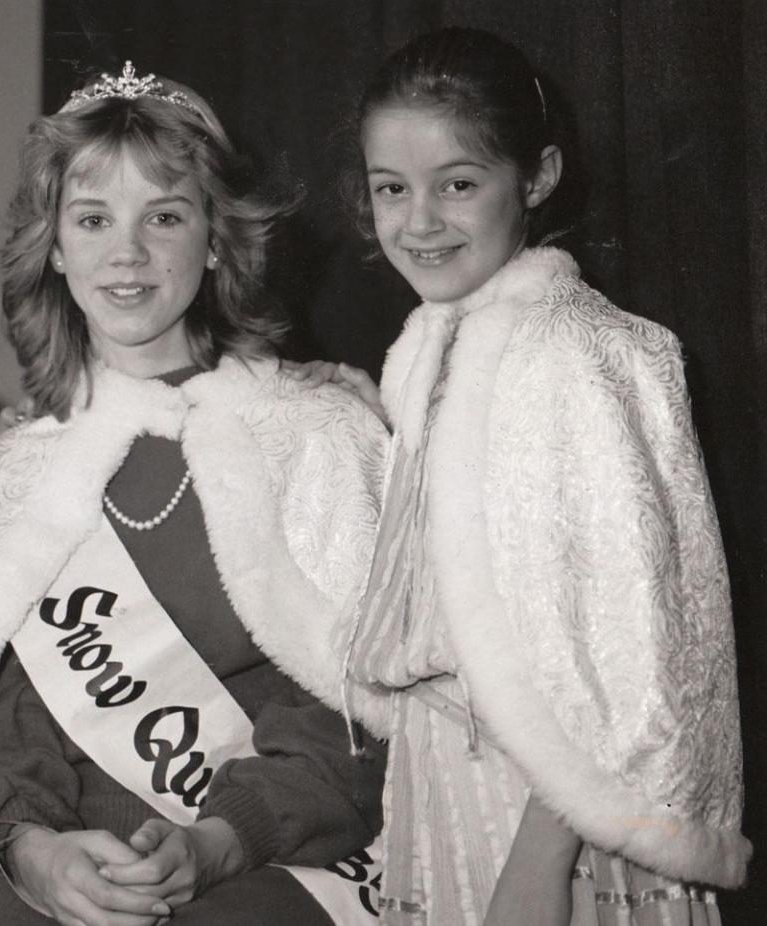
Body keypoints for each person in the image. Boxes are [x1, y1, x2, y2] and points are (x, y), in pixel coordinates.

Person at [0, 62, 393, 925]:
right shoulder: (9, 480)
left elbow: (356, 720)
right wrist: (32, 852)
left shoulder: (315, 436)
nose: (128, 253)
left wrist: (219, 840)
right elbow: (1, 734)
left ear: (216, 237)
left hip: (281, 854)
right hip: (67, 864)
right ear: (57, 246)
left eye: (166, 216)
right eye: (93, 218)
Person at [321, 26, 749, 925]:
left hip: (550, 814)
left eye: (460, 184)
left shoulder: (577, 353)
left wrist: (541, 861)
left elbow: (631, 648)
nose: (420, 221)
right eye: (390, 189)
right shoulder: (434, 348)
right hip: (447, 776)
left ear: (539, 176)